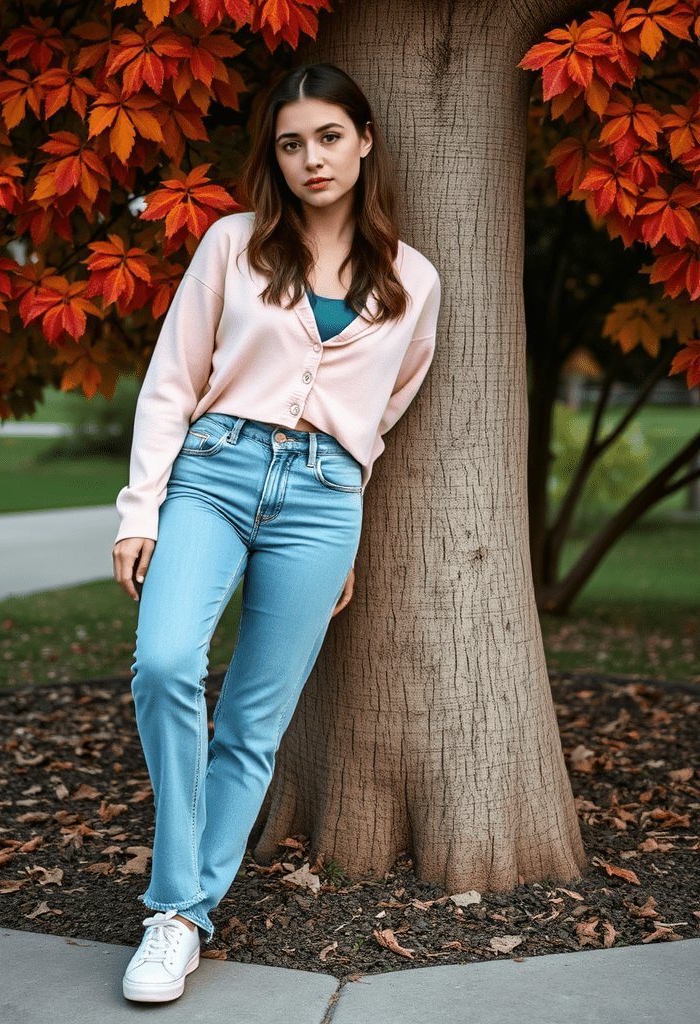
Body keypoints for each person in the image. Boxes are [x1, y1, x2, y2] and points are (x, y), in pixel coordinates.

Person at [112, 60, 441, 1003]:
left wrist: (343, 527)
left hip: (323, 501)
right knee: (168, 662)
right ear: (277, 157)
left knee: (255, 720)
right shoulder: (231, 245)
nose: (312, 159)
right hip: (212, 475)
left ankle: (179, 918)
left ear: (364, 140)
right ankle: (176, 894)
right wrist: (142, 509)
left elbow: (382, 414)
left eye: (329, 137)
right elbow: (172, 380)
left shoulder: (414, 280)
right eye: (292, 143)